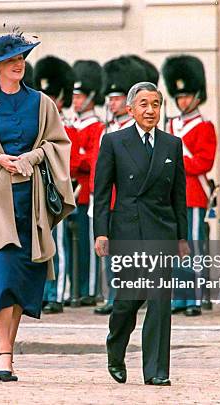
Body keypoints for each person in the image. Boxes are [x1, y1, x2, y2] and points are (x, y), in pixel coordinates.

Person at [0, 32, 75, 382]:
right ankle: (3, 351)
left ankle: (8, 347)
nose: (18, 64)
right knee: (1, 277)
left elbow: (58, 144)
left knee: (23, 278)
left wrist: (36, 155)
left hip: (32, 202)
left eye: (22, 58)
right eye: (10, 60)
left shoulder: (42, 103)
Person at [94, 82, 188, 386]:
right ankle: (116, 347)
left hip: (161, 229)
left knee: (160, 301)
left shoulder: (172, 144)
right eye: (144, 104)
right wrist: (101, 233)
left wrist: (182, 238)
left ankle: (157, 371)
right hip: (127, 230)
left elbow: (179, 196)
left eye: (156, 104)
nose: (151, 110)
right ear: (131, 109)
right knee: (127, 300)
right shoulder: (114, 142)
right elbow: (102, 192)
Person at [91, 56, 154, 316]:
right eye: (111, 98)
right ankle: (115, 295)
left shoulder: (137, 131)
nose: (112, 102)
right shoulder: (108, 130)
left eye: (117, 98)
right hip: (111, 200)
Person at [162, 54, 217, 317]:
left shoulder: (205, 126)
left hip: (193, 194)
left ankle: (194, 298)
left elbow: (203, 163)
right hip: (171, 194)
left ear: (197, 97)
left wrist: (178, 159)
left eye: (187, 96)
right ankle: (179, 296)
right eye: (179, 96)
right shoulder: (170, 124)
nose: (182, 101)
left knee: (191, 246)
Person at [33, 55, 75, 315]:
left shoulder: (66, 125)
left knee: (57, 244)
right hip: (38, 187)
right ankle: (42, 292)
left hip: (57, 188)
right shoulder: (38, 120)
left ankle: (56, 294)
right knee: (40, 245)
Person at [69, 60, 105, 306]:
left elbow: (89, 161)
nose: (77, 100)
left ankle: (89, 289)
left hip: (85, 193)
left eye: (81, 96)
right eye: (74, 96)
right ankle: (76, 287)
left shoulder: (97, 126)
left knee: (87, 246)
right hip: (69, 192)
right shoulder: (71, 126)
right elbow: (70, 160)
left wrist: (78, 158)